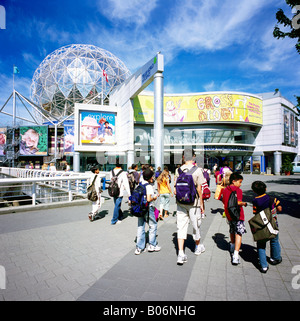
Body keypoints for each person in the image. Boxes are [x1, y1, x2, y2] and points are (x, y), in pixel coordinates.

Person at [174, 148, 206, 265]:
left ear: (183, 157)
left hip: (181, 203)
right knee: (195, 225)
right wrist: (202, 205)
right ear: (193, 157)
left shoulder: (178, 170)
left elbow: (175, 189)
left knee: (181, 227)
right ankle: (198, 247)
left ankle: (181, 253)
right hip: (194, 203)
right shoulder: (198, 170)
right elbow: (199, 189)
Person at [251, 181, 282, 273]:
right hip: (273, 224)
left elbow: (255, 212)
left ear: (254, 191)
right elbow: (280, 208)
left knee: (261, 245)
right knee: (274, 241)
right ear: (266, 189)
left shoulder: (255, 201)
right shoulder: (272, 198)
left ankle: (264, 266)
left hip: (262, 226)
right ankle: (275, 258)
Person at [222, 172, 247, 265]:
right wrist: (244, 203)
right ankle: (235, 255)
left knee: (232, 230)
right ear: (233, 181)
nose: (240, 184)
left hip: (229, 214)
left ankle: (232, 246)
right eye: (239, 182)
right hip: (238, 215)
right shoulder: (238, 190)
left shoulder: (225, 190)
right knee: (239, 233)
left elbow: (224, 201)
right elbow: (238, 202)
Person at [135, 168, 161, 255]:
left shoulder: (140, 184)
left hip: (139, 208)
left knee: (140, 227)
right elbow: (149, 199)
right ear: (150, 178)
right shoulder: (149, 186)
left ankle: (139, 247)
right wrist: (155, 197)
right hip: (148, 208)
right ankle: (152, 245)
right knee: (153, 225)